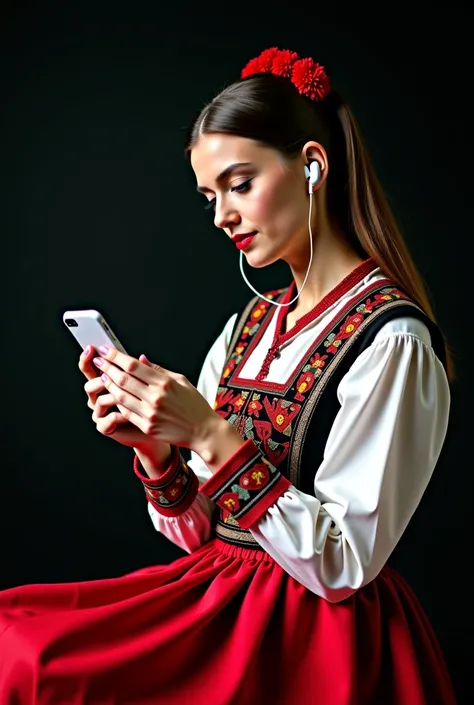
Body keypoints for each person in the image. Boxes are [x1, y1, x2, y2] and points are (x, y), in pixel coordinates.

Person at [0, 46, 457, 704]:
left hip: (318, 639)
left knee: (39, 665)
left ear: (311, 165)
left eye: (239, 184)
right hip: (226, 600)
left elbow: (344, 562)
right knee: (19, 637)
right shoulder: (247, 327)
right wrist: (159, 452)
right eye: (211, 195)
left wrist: (209, 432)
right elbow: (202, 534)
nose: (221, 216)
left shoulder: (393, 341)